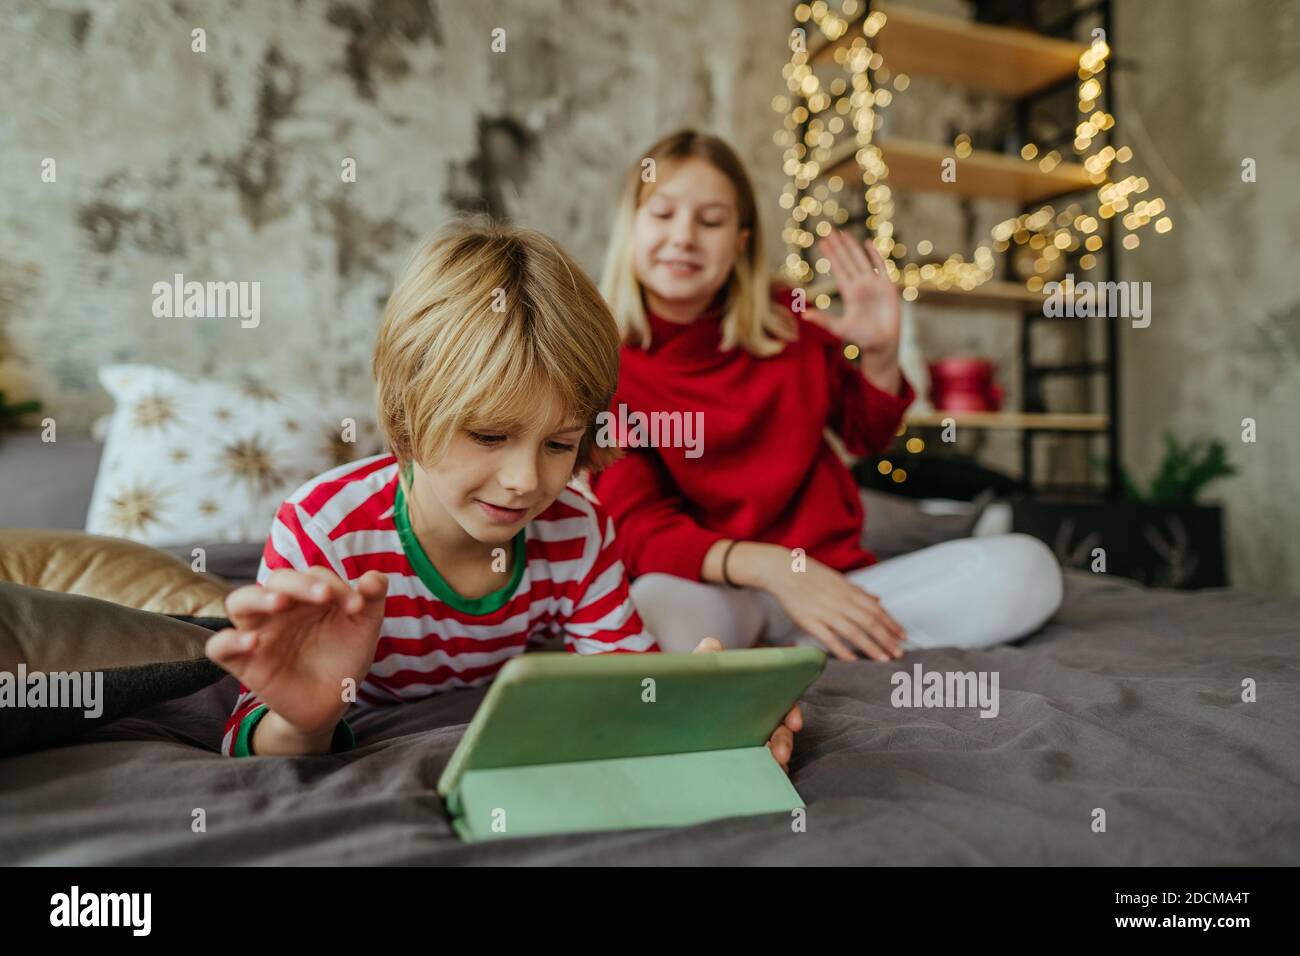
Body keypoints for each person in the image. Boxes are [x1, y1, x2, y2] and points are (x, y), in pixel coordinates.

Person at [205, 219, 802, 764]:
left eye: (558, 445)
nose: (525, 482)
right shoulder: (321, 529)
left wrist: (703, 717)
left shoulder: (580, 528)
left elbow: (631, 687)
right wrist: (302, 726)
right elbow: (247, 736)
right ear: (409, 411)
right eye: (490, 435)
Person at [592, 129, 1063, 659]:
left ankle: (808, 638)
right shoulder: (601, 363)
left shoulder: (791, 318)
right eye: (662, 214)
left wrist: (881, 354)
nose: (683, 237)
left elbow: (867, 435)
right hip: (714, 586)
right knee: (649, 615)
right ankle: (828, 640)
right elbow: (636, 526)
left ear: (741, 241)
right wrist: (774, 570)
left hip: (834, 580)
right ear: (631, 226)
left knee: (1028, 570)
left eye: (711, 221)